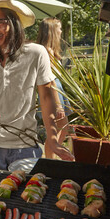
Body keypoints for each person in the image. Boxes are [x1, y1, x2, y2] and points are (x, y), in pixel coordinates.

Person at [0, 0, 75, 172]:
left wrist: (53, 140)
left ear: (14, 22)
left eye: (0, 22)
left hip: (25, 146)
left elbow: (47, 99)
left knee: (29, 197)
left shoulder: (36, 53)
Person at [36, 17, 72, 159]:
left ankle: (51, 157)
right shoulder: (46, 51)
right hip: (52, 90)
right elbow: (50, 81)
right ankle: (50, 158)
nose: (61, 31)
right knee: (58, 128)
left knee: (62, 128)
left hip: (57, 88)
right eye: (60, 28)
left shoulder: (48, 49)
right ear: (52, 30)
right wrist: (58, 106)